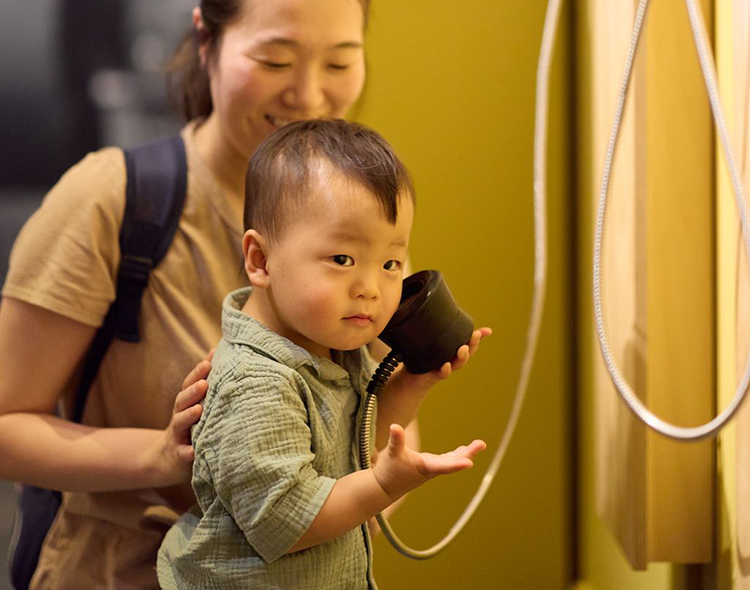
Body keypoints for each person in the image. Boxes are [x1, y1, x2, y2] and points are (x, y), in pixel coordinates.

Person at [0, 0, 401, 588]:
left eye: (340, 64)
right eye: (275, 59)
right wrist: (160, 456)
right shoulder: (111, 201)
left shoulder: (359, 222)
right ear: (206, 42)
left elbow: (373, 425)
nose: (308, 94)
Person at [157, 119, 489, 589]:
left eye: (391, 263)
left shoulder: (333, 344)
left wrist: (413, 383)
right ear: (260, 261)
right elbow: (285, 520)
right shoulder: (257, 384)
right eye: (342, 260)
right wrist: (382, 485)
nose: (371, 289)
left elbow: (358, 436)